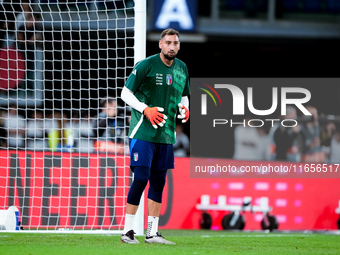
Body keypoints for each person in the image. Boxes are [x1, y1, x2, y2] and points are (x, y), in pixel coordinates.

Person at [119, 28, 190, 244]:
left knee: (159, 182)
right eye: (168, 42)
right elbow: (124, 93)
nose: (172, 46)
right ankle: (127, 231)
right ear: (160, 44)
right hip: (143, 131)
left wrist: (185, 109)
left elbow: (184, 95)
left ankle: (152, 233)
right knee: (141, 178)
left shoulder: (182, 68)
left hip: (166, 135)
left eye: (176, 43)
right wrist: (145, 109)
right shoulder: (146, 65)